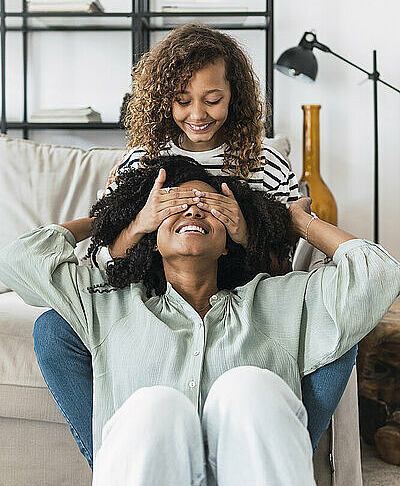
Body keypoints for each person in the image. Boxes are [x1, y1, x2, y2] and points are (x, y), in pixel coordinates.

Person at [32, 24, 356, 469]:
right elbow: (109, 263)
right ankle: (116, 463)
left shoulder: (265, 163)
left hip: (242, 304)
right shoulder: (142, 161)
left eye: (212, 99)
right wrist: (139, 222)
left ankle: (280, 457)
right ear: (163, 98)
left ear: (234, 95)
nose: (197, 114)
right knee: (53, 328)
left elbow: (282, 271)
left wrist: (244, 234)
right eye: (182, 100)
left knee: (342, 327)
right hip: (158, 301)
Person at [0, 156, 398, 486]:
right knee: (156, 407)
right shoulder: (109, 303)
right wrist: (121, 220)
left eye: (209, 206)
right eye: (175, 206)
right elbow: (20, 258)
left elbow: (378, 275)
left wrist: (296, 221)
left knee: (249, 388)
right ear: (153, 238)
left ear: (229, 242)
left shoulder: (278, 300)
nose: (192, 209)